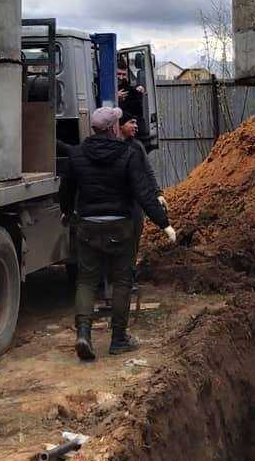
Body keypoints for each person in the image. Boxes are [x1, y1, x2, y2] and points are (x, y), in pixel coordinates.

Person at [59, 106, 175, 360]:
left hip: (88, 226)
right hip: (121, 227)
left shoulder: (77, 155)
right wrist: (163, 223)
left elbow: (66, 190)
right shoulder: (128, 153)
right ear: (113, 128)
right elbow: (142, 192)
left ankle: (83, 334)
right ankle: (119, 339)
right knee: (122, 280)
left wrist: (67, 213)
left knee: (87, 281)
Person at [119, 112, 166, 277]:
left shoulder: (137, 146)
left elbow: (148, 172)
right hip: (119, 204)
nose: (136, 126)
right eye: (132, 122)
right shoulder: (112, 147)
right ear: (120, 126)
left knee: (133, 240)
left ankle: (129, 277)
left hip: (136, 204)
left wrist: (158, 193)